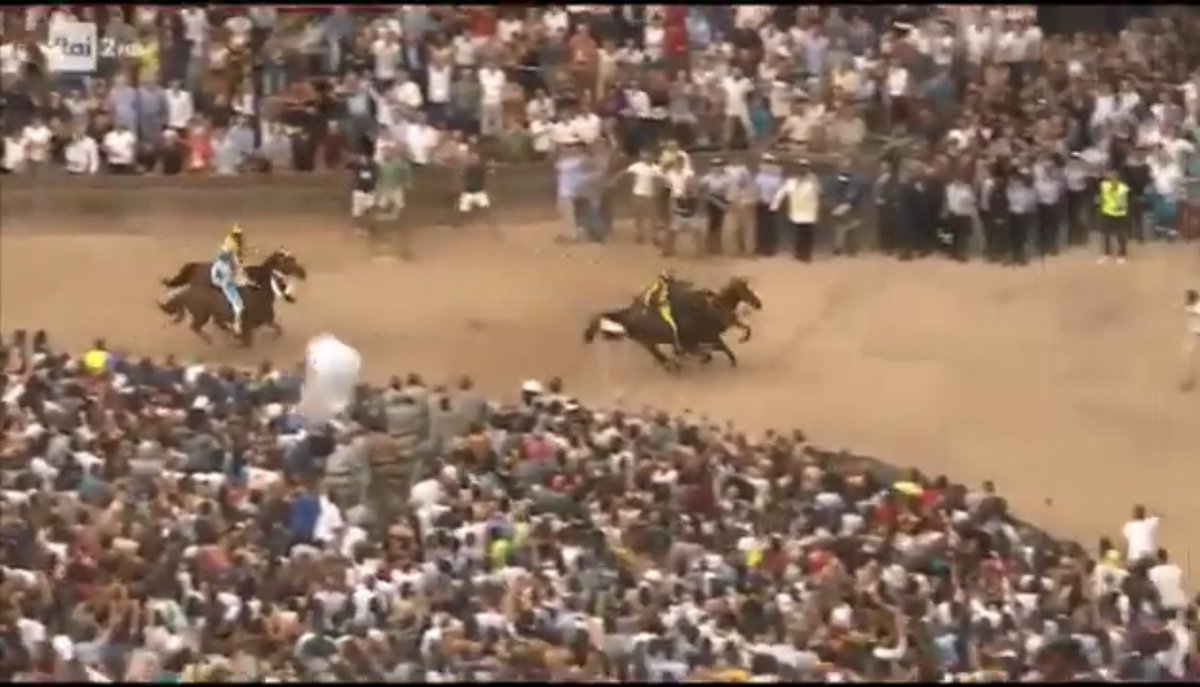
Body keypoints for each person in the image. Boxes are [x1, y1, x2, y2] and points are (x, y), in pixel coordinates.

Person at [642, 268, 682, 357]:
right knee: (673, 326)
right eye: (670, 277)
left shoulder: (669, 284)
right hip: (662, 307)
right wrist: (647, 305)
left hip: (668, 304)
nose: (671, 279)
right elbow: (648, 294)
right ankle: (676, 346)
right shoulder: (658, 284)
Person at [1097, 165, 1130, 264]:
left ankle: (1122, 255)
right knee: (1105, 234)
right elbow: (1101, 197)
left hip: (1120, 214)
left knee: (1121, 235)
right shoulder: (1104, 185)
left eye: (1114, 176)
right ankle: (1106, 254)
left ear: (1118, 178)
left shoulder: (1123, 188)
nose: (1112, 178)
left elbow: (1124, 201)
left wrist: (1120, 206)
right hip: (1107, 213)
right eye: (1110, 176)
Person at [211, 246, 245, 335]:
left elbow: (239, 268)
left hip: (237, 281)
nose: (229, 256)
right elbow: (215, 279)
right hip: (228, 286)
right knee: (239, 306)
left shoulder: (233, 259)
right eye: (227, 255)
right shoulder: (217, 266)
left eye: (229, 254)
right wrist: (225, 281)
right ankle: (237, 325)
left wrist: (241, 275)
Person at [1184, 288, 1199, 392]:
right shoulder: (1192, 306)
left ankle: (1190, 381)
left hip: (1195, 334)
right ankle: (1190, 380)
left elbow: (1191, 310)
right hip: (1194, 334)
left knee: (1189, 356)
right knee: (1189, 356)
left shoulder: (1195, 308)